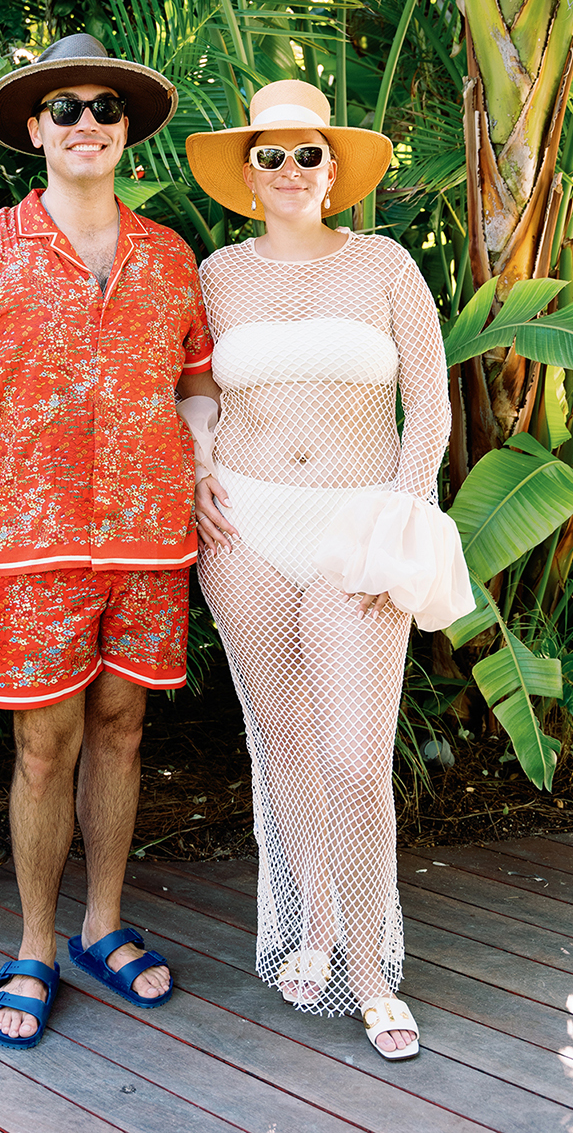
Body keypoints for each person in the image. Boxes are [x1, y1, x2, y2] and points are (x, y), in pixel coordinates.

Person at [0, 32, 215, 1050]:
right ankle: (35, 943)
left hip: (149, 543)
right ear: (35, 129)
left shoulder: (171, 255)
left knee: (124, 727)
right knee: (44, 746)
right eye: (66, 107)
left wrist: (203, 466)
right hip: (27, 549)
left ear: (126, 129)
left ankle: (102, 924)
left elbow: (198, 382)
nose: (87, 121)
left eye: (104, 107)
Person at [180, 80, 474, 1060]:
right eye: (272, 156)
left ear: (334, 171)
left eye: (309, 154)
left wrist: (402, 498)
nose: (292, 171)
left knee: (353, 758)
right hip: (245, 529)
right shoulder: (216, 275)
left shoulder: (386, 266)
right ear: (248, 174)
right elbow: (190, 391)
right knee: (287, 740)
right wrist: (196, 464)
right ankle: (312, 928)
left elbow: (428, 405)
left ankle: (370, 970)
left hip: (357, 525)